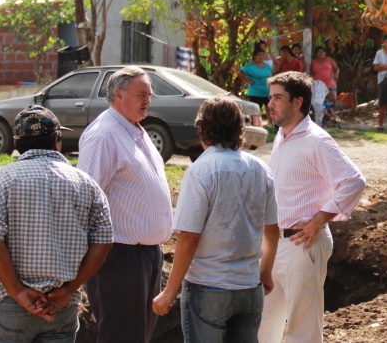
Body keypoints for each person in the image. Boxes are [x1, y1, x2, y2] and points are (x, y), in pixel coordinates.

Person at [0, 105, 113, 343]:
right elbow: (104, 241)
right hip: (61, 308)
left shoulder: (0, 180)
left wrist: (18, 291)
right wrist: (68, 289)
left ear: (16, 144)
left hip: (9, 304)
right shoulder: (86, 184)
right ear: (57, 139)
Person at [152, 97, 279, 343]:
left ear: (202, 129)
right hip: (249, 287)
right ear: (240, 130)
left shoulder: (202, 170)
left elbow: (189, 236)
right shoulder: (260, 168)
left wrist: (169, 292)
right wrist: (265, 273)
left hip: (209, 286)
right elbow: (272, 229)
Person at [258, 72, 366, 343]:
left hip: (302, 244)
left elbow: (353, 182)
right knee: (262, 324)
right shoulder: (283, 135)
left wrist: (319, 220)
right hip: (275, 245)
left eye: (277, 98)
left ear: (297, 102)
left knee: (302, 331)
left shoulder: (316, 141)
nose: (269, 104)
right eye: (270, 98)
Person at [77, 67, 174, 343]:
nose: (147, 101)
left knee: (138, 335)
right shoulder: (104, 135)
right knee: (122, 335)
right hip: (119, 258)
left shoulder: (135, 130)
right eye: (141, 94)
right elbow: (86, 198)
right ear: (118, 95)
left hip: (145, 255)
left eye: (149, 95)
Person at [240, 49, 272, 127]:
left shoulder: (266, 65)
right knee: (255, 111)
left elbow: (271, 74)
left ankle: (270, 124)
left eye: (262, 54)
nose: (261, 56)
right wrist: (248, 81)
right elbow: (239, 73)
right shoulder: (250, 66)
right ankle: (255, 126)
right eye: (259, 55)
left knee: (269, 107)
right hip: (255, 92)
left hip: (267, 91)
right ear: (255, 56)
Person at [309, 47, 339, 121]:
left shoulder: (329, 60)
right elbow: (311, 73)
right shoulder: (313, 63)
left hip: (330, 83)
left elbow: (336, 69)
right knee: (319, 102)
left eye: (322, 52)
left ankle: (330, 113)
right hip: (318, 85)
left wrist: (336, 75)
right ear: (316, 54)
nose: (321, 53)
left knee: (333, 99)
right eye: (319, 52)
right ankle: (320, 115)